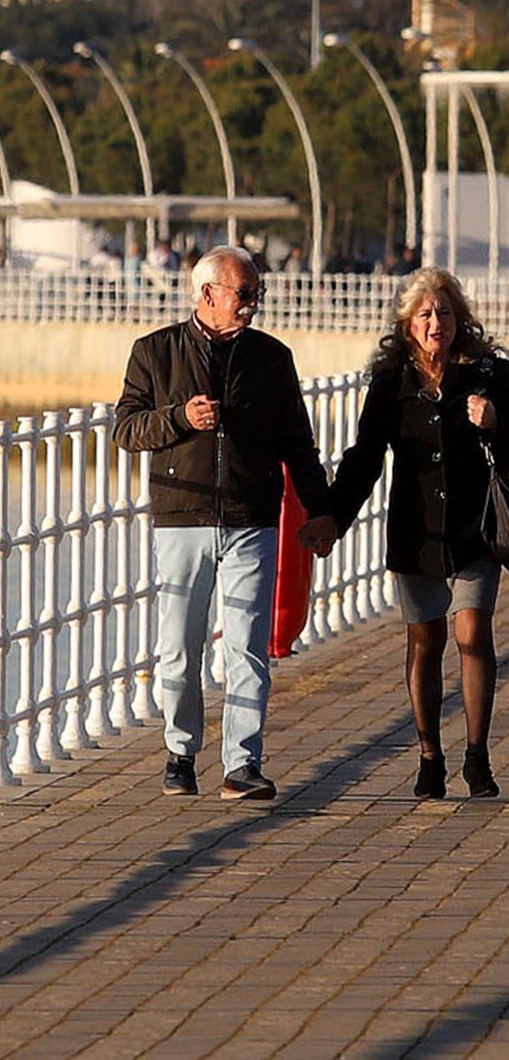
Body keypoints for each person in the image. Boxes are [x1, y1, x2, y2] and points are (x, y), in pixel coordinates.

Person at [112, 245, 332, 801]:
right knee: (181, 645)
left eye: (257, 294)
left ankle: (242, 763)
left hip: (252, 515)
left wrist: (322, 510)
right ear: (208, 294)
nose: (253, 305)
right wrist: (178, 419)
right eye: (244, 294)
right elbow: (126, 429)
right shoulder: (154, 352)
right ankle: (181, 752)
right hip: (181, 517)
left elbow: (298, 444)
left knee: (247, 646)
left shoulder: (271, 358)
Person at [310, 269, 509, 799]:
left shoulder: (488, 373)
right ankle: (429, 755)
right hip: (416, 532)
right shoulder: (392, 384)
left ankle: (477, 757)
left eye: (445, 313)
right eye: (426, 315)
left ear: (460, 319)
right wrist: (332, 520)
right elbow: (364, 459)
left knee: (471, 633)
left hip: (475, 528)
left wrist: (494, 420)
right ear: (408, 324)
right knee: (425, 640)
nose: (437, 322)